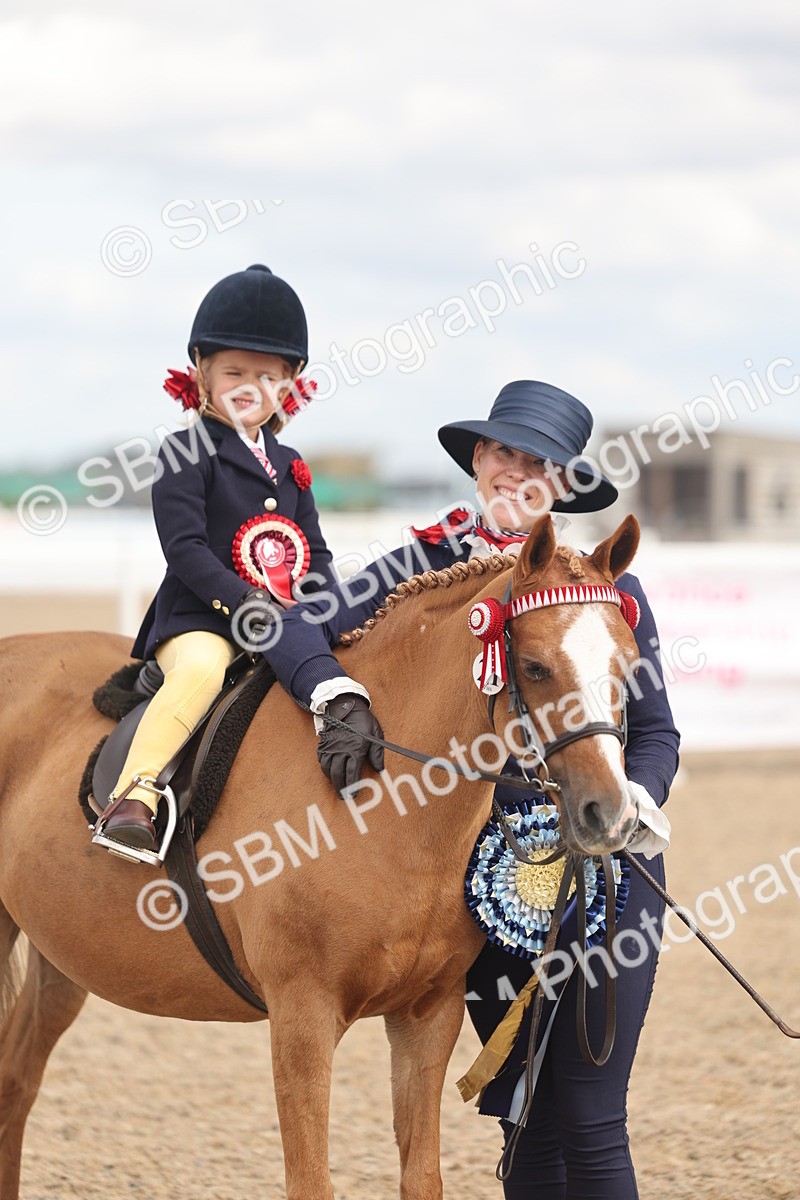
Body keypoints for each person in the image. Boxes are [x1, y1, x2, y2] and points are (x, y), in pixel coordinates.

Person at [264, 379, 680, 1199]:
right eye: (504, 453)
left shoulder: (612, 589)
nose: (517, 473)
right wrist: (334, 694)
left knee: (592, 1118)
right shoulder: (422, 564)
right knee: (523, 1115)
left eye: (540, 463)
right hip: (480, 886)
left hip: (598, 869)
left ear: (564, 481)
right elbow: (300, 623)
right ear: (480, 458)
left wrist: (635, 796)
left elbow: (657, 731)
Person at [95, 263, 334, 858]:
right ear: (202, 371)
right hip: (201, 618)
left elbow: (314, 551)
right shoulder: (186, 450)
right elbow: (185, 549)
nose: (249, 387)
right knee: (203, 668)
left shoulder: (291, 463)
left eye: (267, 376)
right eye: (234, 372)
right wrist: (245, 602)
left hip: (280, 622)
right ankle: (134, 796)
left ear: (289, 383)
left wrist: (332, 607)